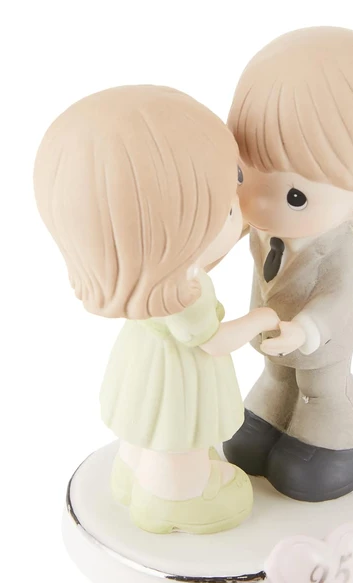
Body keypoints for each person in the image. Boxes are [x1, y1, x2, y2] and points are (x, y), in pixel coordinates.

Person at [34, 85, 279, 533]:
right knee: (177, 434)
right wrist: (263, 318)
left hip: (144, 365)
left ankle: (132, 471)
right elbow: (214, 342)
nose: (239, 211)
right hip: (178, 379)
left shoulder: (149, 278)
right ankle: (174, 498)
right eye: (226, 210)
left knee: (144, 427)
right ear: (175, 235)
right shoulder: (186, 290)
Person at [223, 27, 353, 502]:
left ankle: (343, 438)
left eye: (294, 195)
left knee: (321, 384)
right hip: (273, 338)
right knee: (276, 377)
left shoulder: (333, 244)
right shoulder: (258, 224)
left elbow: (336, 296)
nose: (257, 203)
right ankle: (273, 410)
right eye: (243, 173)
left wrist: (305, 330)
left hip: (321, 340)